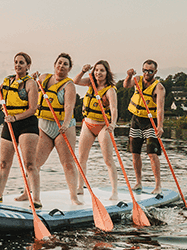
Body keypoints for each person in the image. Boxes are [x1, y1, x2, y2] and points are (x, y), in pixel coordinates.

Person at [26, 53, 82, 205]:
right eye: (59, 63)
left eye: (65, 64)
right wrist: (32, 80)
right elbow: (29, 91)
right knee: (34, 163)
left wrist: (65, 124)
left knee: (68, 164)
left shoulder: (69, 85)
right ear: (55, 64)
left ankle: (74, 196)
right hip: (44, 126)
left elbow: (69, 107)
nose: (61, 66)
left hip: (63, 128)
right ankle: (27, 193)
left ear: (69, 68)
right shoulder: (43, 78)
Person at [0, 53, 40, 206]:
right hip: (9, 124)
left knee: (29, 164)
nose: (18, 65)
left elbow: (32, 109)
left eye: (21, 63)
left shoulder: (30, 84)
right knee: (4, 163)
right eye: (16, 62)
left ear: (28, 66)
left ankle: (36, 199)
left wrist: (15, 118)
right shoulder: (7, 81)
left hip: (27, 124)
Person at [73, 60, 119, 201]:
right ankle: (80, 187)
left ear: (107, 73)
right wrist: (82, 70)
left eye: (102, 71)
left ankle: (114, 191)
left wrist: (113, 124)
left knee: (107, 159)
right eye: (97, 70)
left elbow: (114, 108)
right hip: (88, 124)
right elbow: (76, 81)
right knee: (82, 157)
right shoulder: (90, 83)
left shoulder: (110, 90)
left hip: (103, 126)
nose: (99, 73)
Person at [123, 59, 166, 195]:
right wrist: (129, 75)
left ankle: (158, 185)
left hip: (150, 122)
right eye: (145, 70)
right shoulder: (137, 80)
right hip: (136, 120)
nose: (147, 73)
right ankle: (138, 182)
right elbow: (126, 85)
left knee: (152, 154)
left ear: (155, 72)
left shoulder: (159, 88)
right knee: (135, 153)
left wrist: (160, 126)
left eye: (150, 71)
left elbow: (160, 109)